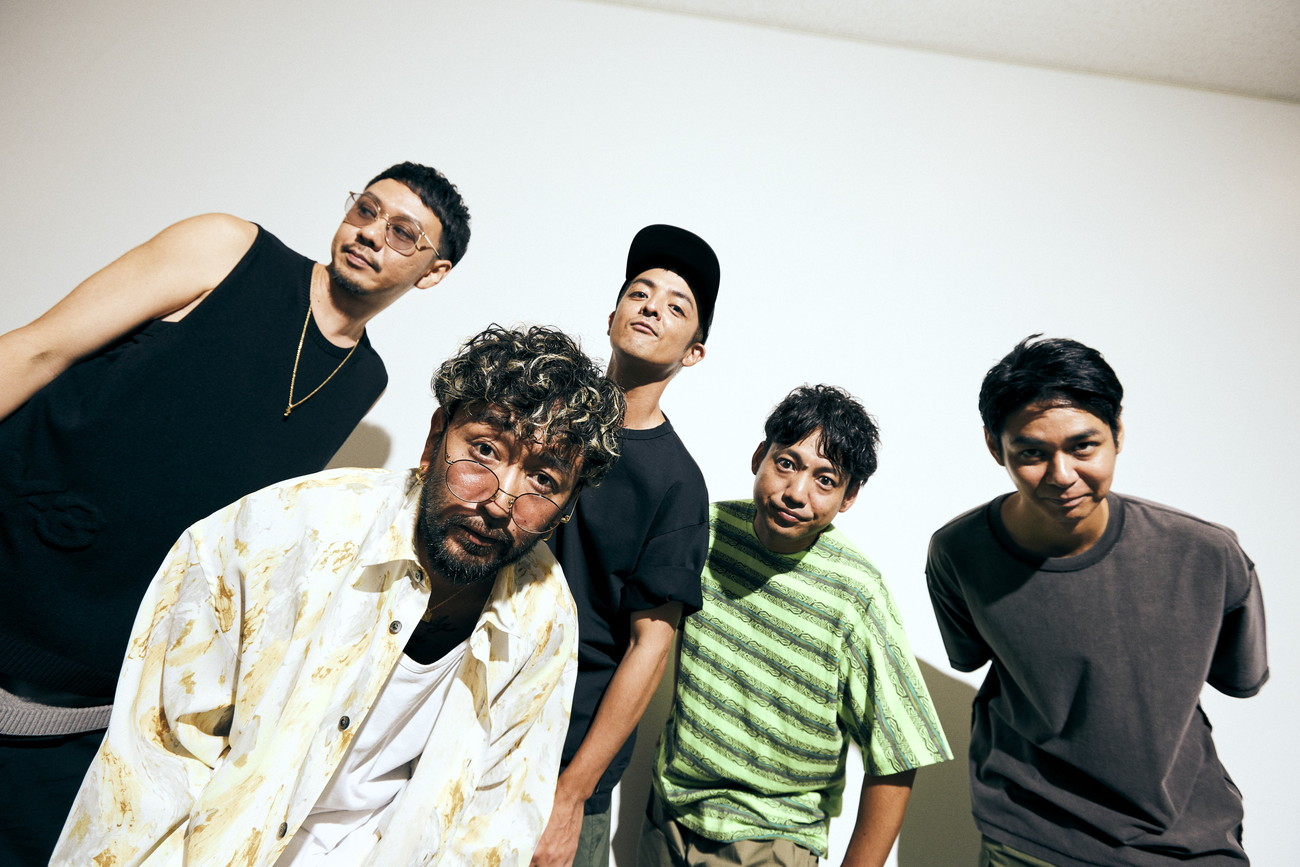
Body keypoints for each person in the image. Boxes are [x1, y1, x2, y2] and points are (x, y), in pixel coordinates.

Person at [0, 161, 472, 864]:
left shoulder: (364, 381)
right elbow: (41, 345)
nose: (371, 233)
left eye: (403, 232)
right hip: (16, 553)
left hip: (94, 677)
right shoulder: (226, 249)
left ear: (432, 273)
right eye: (366, 209)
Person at [50, 324, 626, 867]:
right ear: (435, 438)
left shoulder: (544, 616)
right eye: (485, 451)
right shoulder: (278, 532)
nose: (500, 501)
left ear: (566, 508)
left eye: (544, 480)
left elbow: (493, 824)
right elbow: (153, 769)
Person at [926, 335, 1269, 867]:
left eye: (1083, 447)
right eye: (1032, 453)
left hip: (1187, 844)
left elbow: (1239, 678)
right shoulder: (960, 551)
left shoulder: (1207, 554)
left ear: (1118, 434)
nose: (1062, 476)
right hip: (1029, 839)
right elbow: (970, 655)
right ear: (995, 448)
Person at [643, 385, 952, 867]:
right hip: (668, 816)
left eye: (825, 479)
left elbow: (899, 750)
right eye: (787, 463)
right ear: (759, 458)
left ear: (849, 497)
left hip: (773, 839)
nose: (796, 493)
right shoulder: (705, 533)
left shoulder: (856, 592)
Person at [532, 225, 719, 867]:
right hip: (471, 722)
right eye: (639, 293)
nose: (651, 307)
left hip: (566, 763)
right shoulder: (541, 420)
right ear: (611, 316)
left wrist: (571, 797)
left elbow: (650, 647)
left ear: (693, 352)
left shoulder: (676, 485)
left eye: (675, 306)